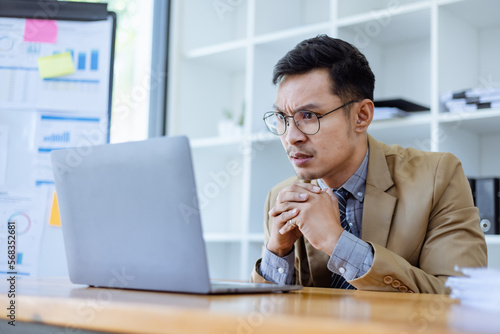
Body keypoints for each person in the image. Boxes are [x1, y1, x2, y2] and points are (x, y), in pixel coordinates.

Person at [250, 35, 487, 294]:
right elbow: (266, 316)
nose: (290, 136)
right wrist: (277, 252)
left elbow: (459, 302)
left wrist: (338, 243)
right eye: (281, 118)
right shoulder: (280, 197)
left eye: (308, 116)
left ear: (361, 116)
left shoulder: (438, 177)